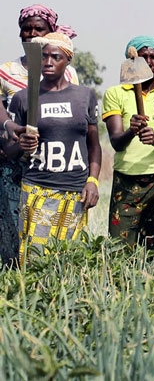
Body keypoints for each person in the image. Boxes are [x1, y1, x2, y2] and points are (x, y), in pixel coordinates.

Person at [3, 33, 100, 266]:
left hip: (76, 191)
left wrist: (93, 181)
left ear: (67, 60)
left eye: (55, 57)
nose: (48, 62)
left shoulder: (84, 96)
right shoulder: (23, 98)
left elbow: (93, 145)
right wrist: (20, 144)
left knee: (72, 260)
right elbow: (8, 146)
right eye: (44, 56)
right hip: (37, 189)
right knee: (35, 260)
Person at [0, 5, 79, 266]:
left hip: (53, 167)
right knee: (14, 238)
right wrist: (11, 129)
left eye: (39, 29)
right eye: (27, 29)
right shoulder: (7, 71)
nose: (32, 34)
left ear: (51, 33)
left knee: (52, 239)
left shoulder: (67, 72)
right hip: (14, 164)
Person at [101, 36, 154, 254]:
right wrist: (132, 130)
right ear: (132, 61)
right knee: (121, 249)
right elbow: (117, 143)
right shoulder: (115, 93)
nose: (148, 61)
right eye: (142, 56)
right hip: (127, 180)